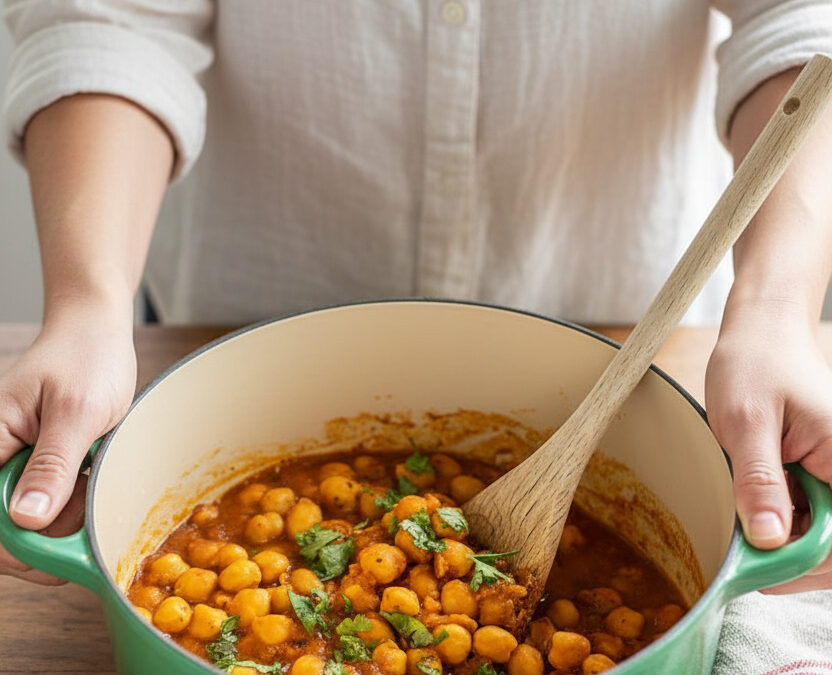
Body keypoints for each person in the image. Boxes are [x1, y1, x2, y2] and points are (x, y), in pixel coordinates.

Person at [1, 1, 832, 598]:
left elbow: (797, 15)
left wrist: (775, 309)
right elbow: (111, 19)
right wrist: (86, 306)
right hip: (233, 319)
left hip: (634, 324)